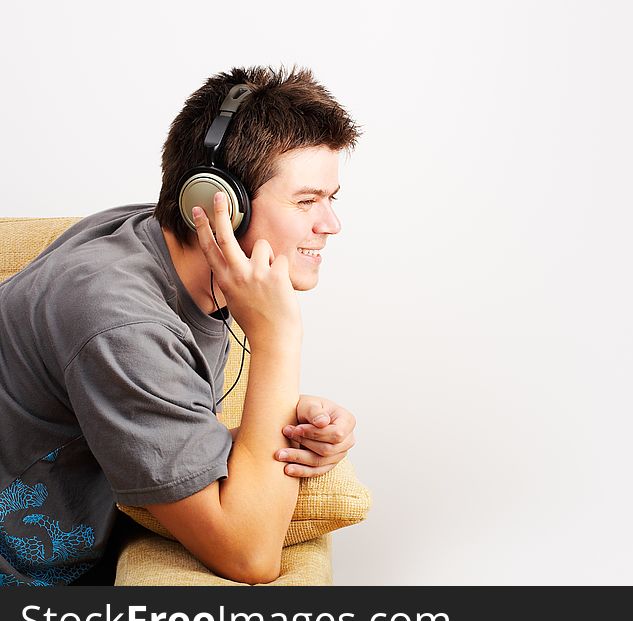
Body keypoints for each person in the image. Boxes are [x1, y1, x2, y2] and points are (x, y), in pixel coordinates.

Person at [0, 64, 362, 586]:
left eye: (331, 199)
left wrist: (280, 414)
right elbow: (249, 556)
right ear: (217, 204)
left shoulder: (153, 244)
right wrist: (279, 340)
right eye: (306, 201)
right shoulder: (120, 318)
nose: (330, 225)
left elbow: (147, 419)